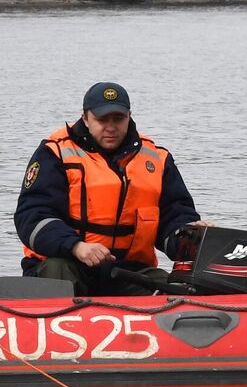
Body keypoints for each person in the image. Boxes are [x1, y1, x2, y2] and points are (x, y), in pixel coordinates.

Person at [15, 81, 204, 296]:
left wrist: (190, 237)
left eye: (118, 119)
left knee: (179, 291)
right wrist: (77, 246)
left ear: (129, 116)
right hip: (67, 263)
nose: (111, 127)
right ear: (85, 118)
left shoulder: (157, 159)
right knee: (59, 269)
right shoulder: (54, 153)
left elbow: (175, 215)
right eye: (102, 119)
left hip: (127, 271)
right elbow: (31, 217)